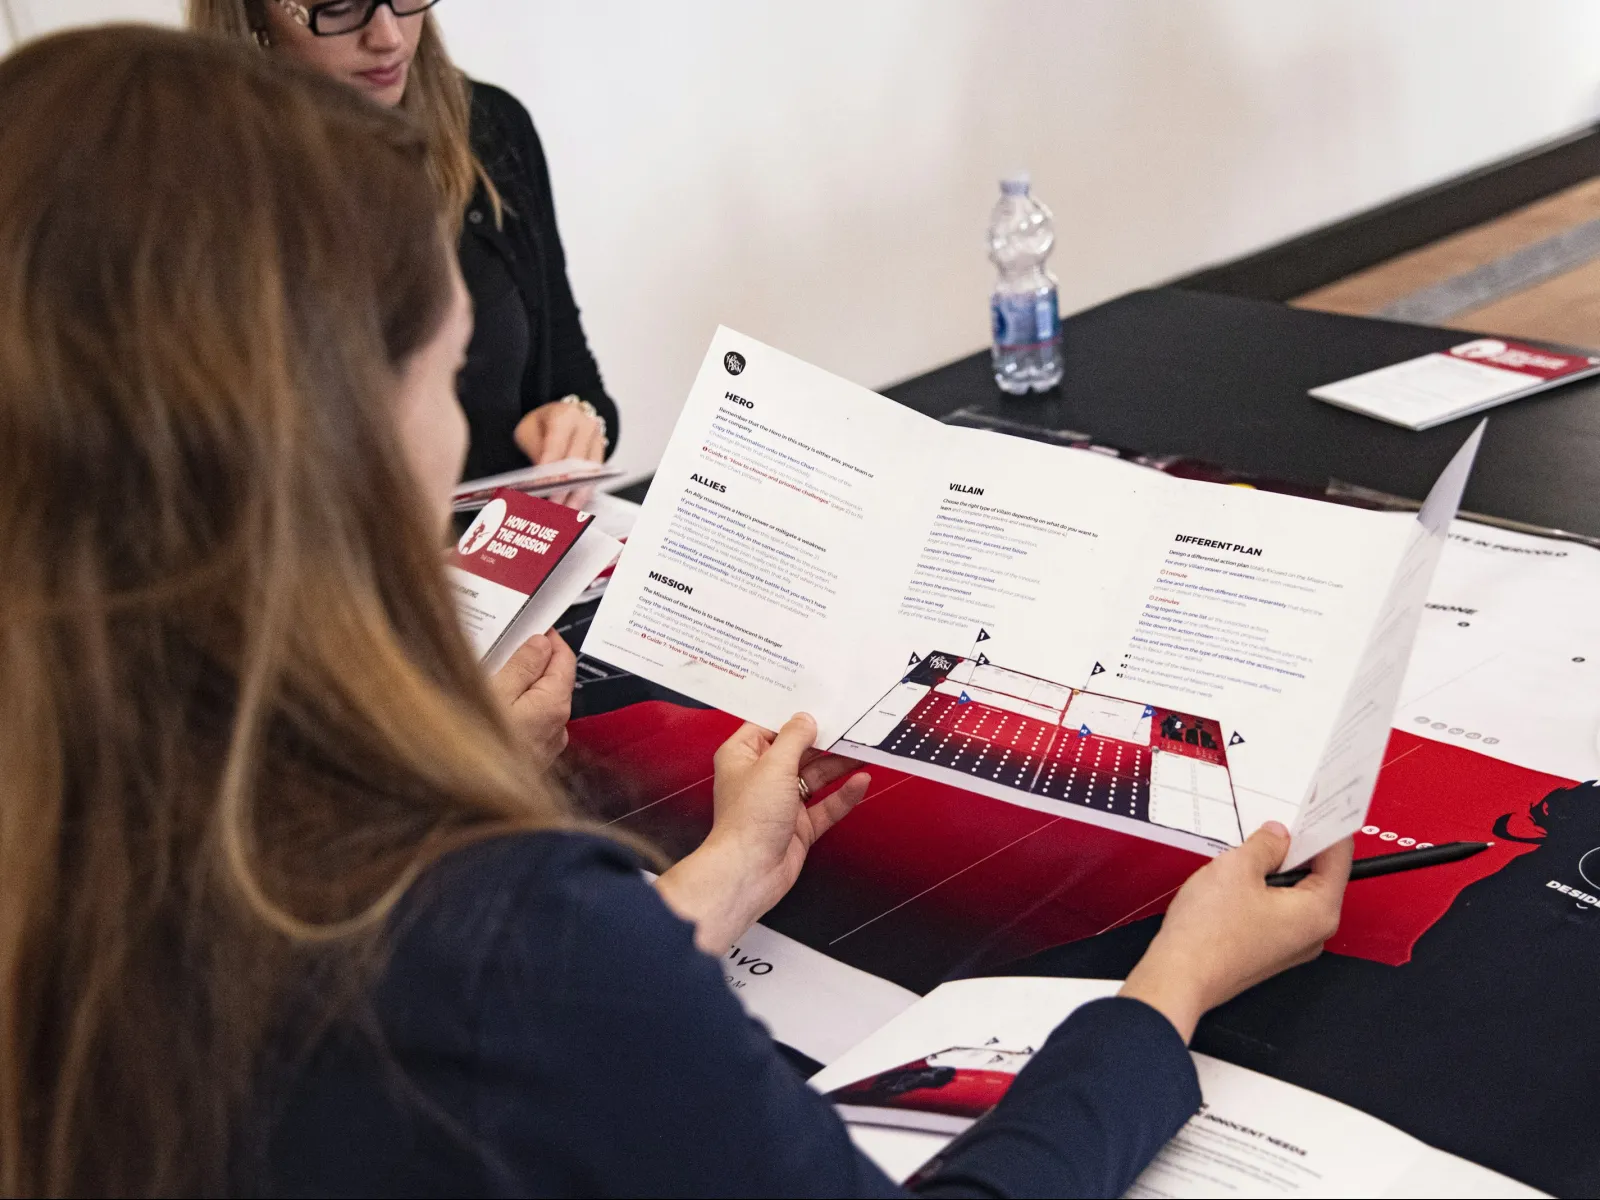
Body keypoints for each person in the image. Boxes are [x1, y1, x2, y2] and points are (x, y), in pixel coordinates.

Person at [0, 26, 1353, 1198]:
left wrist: (711, 886)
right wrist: (1163, 999)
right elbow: (494, 1003)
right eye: (447, 368)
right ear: (343, 430)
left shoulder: (85, 830)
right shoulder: (493, 919)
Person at [188, 0, 619, 486]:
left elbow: (576, 383)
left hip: (501, 547)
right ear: (255, 13)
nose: (388, 37)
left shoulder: (492, 130)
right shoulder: (198, 185)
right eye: (341, 6)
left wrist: (577, 422)